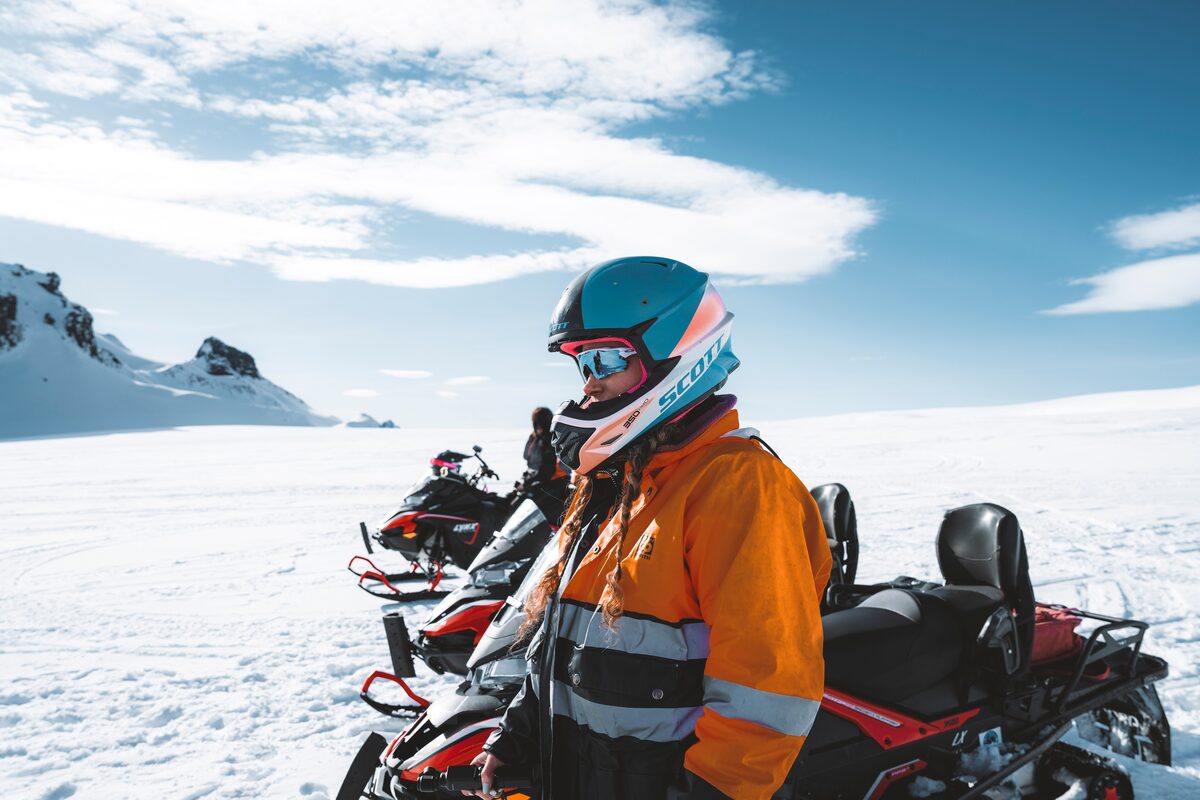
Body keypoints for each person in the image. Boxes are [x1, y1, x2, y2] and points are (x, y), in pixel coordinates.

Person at [468, 257, 832, 800]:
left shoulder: (736, 485)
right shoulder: (617, 485)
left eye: (607, 358)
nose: (590, 385)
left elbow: (768, 685)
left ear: (678, 355)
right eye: (581, 364)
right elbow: (563, 634)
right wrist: (519, 734)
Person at [520, 406, 558, 488]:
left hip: (552, 482)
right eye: (536, 422)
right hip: (535, 478)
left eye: (540, 422)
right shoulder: (534, 437)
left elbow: (548, 468)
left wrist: (528, 483)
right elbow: (527, 457)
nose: (538, 426)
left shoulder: (550, 439)